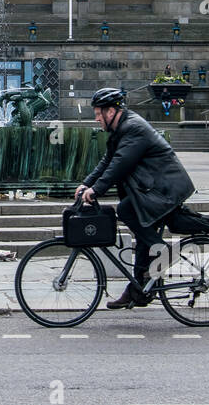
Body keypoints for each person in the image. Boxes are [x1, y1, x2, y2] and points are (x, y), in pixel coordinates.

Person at [75, 87, 196, 310]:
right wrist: (87, 183)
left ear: (110, 111)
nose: (96, 118)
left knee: (126, 210)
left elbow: (120, 165)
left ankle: (164, 251)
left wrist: (97, 190)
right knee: (141, 239)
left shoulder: (133, 128)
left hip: (164, 191)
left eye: (98, 113)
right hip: (152, 190)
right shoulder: (121, 129)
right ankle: (137, 292)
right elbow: (107, 161)